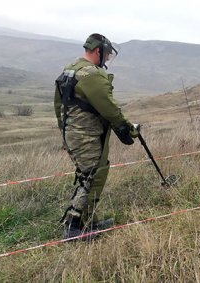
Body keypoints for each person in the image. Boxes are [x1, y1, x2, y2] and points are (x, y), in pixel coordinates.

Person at [54, 33, 139, 239]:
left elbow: (59, 106)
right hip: (86, 135)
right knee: (92, 177)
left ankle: (89, 222)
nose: (107, 60)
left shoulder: (72, 68)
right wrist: (127, 128)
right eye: (107, 55)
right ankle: (73, 227)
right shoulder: (91, 75)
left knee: (89, 175)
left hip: (74, 133)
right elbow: (109, 109)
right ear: (98, 51)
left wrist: (65, 131)